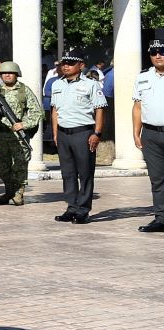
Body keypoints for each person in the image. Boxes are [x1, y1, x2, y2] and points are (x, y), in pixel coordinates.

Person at [50, 52, 106, 223]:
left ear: (81, 65)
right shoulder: (56, 84)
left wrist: (97, 133)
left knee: (85, 172)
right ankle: (71, 207)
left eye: (70, 63)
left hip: (83, 132)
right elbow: (55, 110)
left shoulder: (91, 84)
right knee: (68, 173)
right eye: (63, 63)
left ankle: (83, 210)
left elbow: (99, 109)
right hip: (63, 133)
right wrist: (55, 133)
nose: (66, 66)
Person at [0, 61, 43, 206]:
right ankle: (9, 191)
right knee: (2, 166)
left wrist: (23, 125)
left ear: (17, 75)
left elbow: (37, 113)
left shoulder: (24, 91)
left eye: (10, 73)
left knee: (20, 165)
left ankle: (18, 193)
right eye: (4, 73)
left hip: (18, 136)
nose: (7, 75)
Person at [134, 41, 164, 234]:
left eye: (162, 52)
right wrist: (136, 132)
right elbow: (138, 107)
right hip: (151, 134)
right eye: (154, 52)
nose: (158, 56)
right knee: (157, 179)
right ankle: (161, 218)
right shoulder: (142, 78)